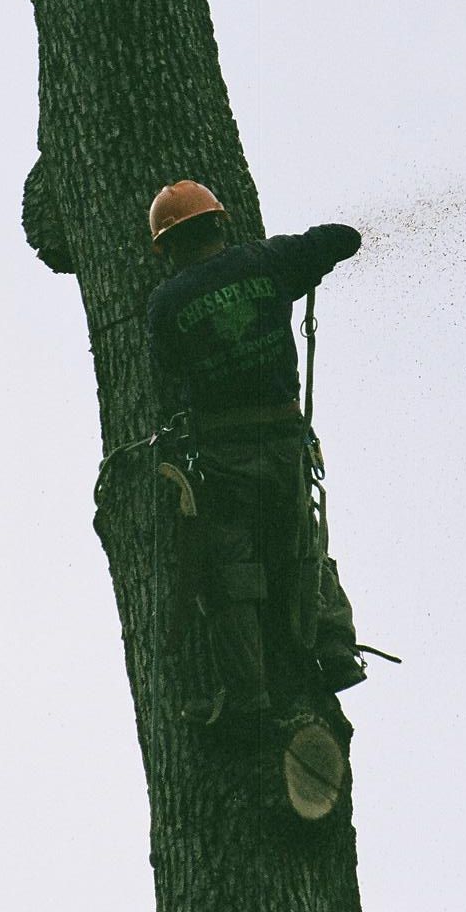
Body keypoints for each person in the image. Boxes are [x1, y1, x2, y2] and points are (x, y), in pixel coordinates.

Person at [144, 179, 365, 719]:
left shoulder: (167, 304)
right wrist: (315, 259)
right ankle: (334, 648)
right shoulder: (269, 262)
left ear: (168, 247)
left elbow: (169, 376)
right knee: (301, 542)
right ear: (220, 223)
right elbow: (343, 238)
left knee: (231, 573)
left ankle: (249, 698)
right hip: (285, 445)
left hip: (224, 456)